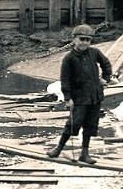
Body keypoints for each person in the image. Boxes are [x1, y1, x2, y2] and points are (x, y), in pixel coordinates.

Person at [47, 24, 113, 164]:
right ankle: (58, 149)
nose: (84, 42)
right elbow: (65, 80)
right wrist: (67, 98)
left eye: (88, 40)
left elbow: (106, 64)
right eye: (81, 39)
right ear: (74, 39)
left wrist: (105, 78)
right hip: (79, 98)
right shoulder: (68, 58)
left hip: (95, 96)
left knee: (91, 124)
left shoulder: (94, 52)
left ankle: (85, 153)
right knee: (73, 124)